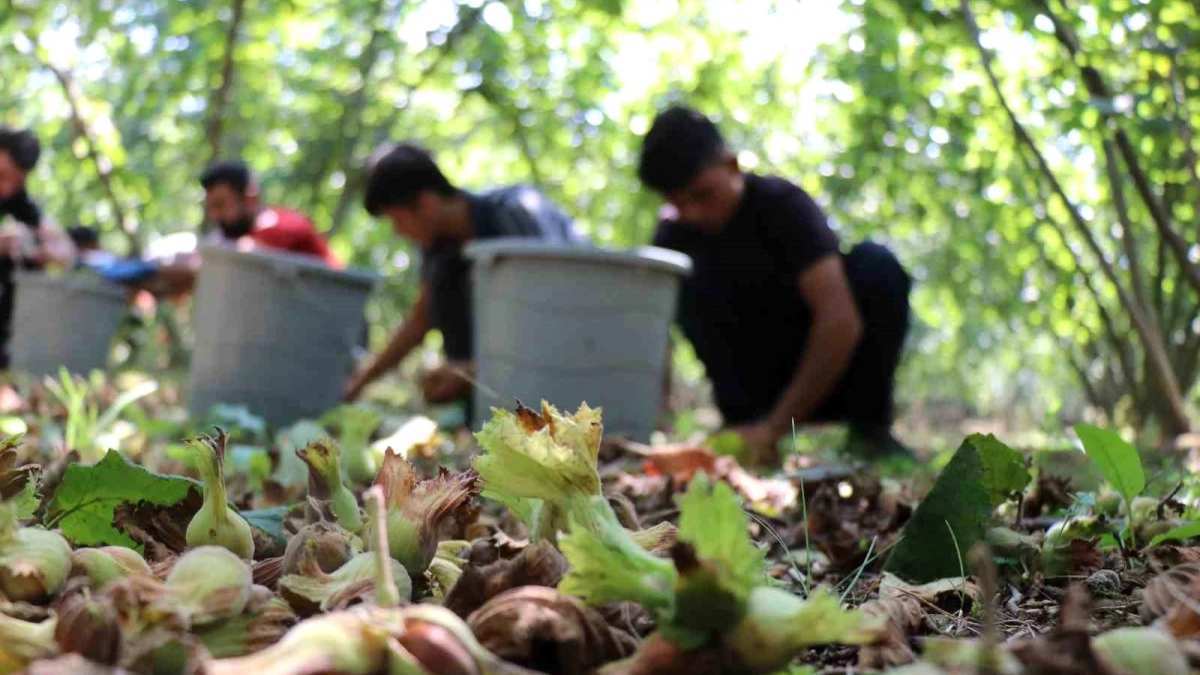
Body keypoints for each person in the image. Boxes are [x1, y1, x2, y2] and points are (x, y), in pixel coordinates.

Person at [638, 106, 912, 463]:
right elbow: (656, 336)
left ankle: (870, 432)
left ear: (731, 166)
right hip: (749, 396)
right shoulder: (673, 237)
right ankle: (745, 428)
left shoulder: (783, 207)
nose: (692, 213)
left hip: (827, 380)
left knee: (877, 266)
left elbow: (840, 318)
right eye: (677, 203)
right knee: (673, 276)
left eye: (703, 195)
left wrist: (776, 427)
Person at [344, 142, 580, 405]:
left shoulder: (515, 215)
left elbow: (562, 316)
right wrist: (358, 384)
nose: (398, 232)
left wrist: (473, 371)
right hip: (494, 407)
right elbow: (419, 321)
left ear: (427, 204)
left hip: (556, 395)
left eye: (397, 220)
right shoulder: (437, 248)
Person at [0, 127, 75, 367]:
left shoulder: (14, 197)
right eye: (1, 175)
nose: (6, 189)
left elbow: (65, 249)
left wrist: (44, 251)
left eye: (16, 181)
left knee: (21, 260)